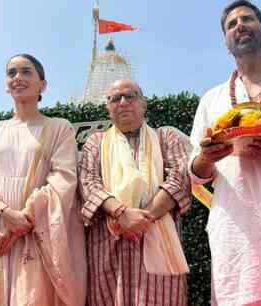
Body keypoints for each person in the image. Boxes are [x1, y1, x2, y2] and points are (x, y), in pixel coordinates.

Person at [189, 0, 261, 306]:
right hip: (238, 234)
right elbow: (195, 173)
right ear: (226, 43)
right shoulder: (212, 99)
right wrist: (206, 157)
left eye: (248, 19)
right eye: (232, 24)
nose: (240, 25)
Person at [80, 79, 190, 305]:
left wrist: (143, 218)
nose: (122, 102)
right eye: (114, 99)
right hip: (110, 247)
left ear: (143, 103)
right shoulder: (95, 143)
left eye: (130, 96)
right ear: (108, 108)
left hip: (158, 242)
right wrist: (122, 214)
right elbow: (88, 184)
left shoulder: (166, 137)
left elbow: (180, 179)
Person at [0, 54, 86, 305]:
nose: (17, 77)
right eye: (11, 73)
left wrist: (23, 219)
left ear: (43, 85)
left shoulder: (58, 128)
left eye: (26, 72)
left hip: (40, 234)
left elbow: (62, 179)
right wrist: (5, 213)